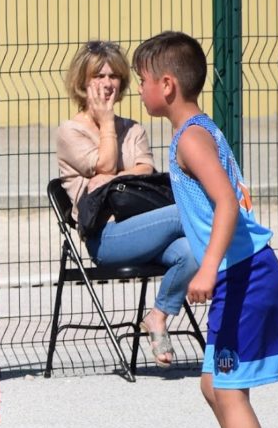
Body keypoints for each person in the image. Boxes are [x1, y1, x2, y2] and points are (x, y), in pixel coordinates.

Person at [132, 31, 278, 428]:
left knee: (228, 391)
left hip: (242, 276)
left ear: (167, 85)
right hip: (243, 272)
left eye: (142, 80)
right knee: (212, 386)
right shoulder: (196, 130)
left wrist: (208, 268)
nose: (139, 89)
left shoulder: (191, 139)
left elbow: (225, 202)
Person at [56, 41, 198, 367]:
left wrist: (112, 178)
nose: (107, 83)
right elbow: (106, 164)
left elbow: (145, 170)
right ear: (82, 82)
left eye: (114, 76)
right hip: (106, 237)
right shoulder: (70, 132)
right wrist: (107, 125)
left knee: (191, 251)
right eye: (98, 76)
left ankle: (158, 315)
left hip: (145, 228)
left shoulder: (133, 130)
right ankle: (250, 261)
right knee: (184, 212)